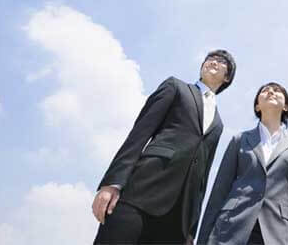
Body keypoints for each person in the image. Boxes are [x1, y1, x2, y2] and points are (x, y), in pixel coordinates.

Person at [91, 49, 236, 245]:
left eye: (221, 61)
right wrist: (112, 183)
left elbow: (203, 176)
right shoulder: (175, 87)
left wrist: (191, 230)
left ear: (227, 77)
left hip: (177, 219)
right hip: (141, 192)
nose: (213, 61)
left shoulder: (219, 124)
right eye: (210, 58)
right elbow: (139, 134)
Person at [198, 82, 288, 245]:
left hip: (277, 234)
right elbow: (219, 192)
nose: (271, 92)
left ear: (286, 106)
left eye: (277, 90)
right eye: (265, 90)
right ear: (257, 106)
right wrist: (202, 240)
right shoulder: (240, 140)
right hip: (231, 228)